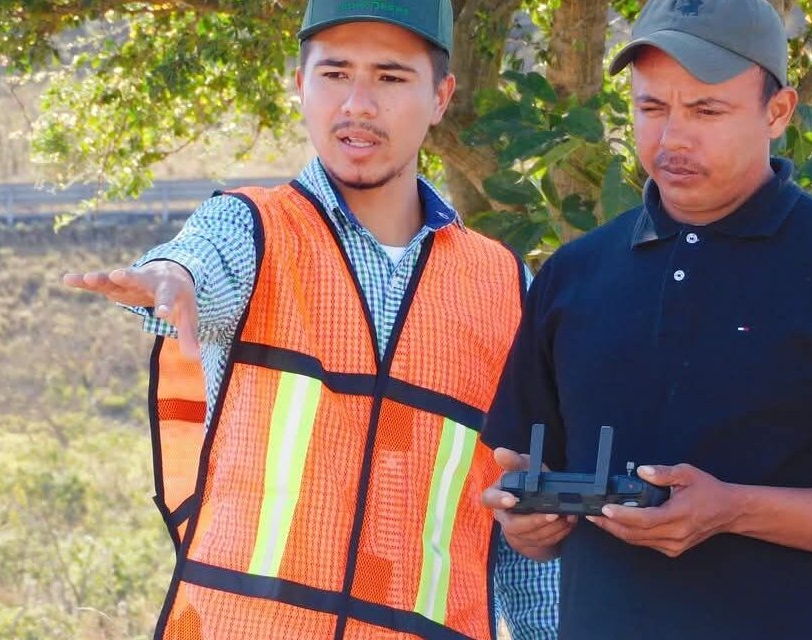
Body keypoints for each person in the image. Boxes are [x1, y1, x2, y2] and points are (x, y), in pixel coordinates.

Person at [64, 1, 558, 638]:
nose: (358, 104)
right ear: (300, 86)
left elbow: (524, 526)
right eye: (334, 74)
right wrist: (171, 278)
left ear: (440, 96)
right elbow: (199, 262)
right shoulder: (253, 227)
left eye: (389, 76)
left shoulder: (505, 286)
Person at [480, 0, 812, 638]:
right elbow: (526, 497)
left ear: (778, 112)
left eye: (707, 110)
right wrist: (528, 522)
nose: (672, 137)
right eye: (651, 108)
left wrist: (735, 510)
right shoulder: (573, 276)